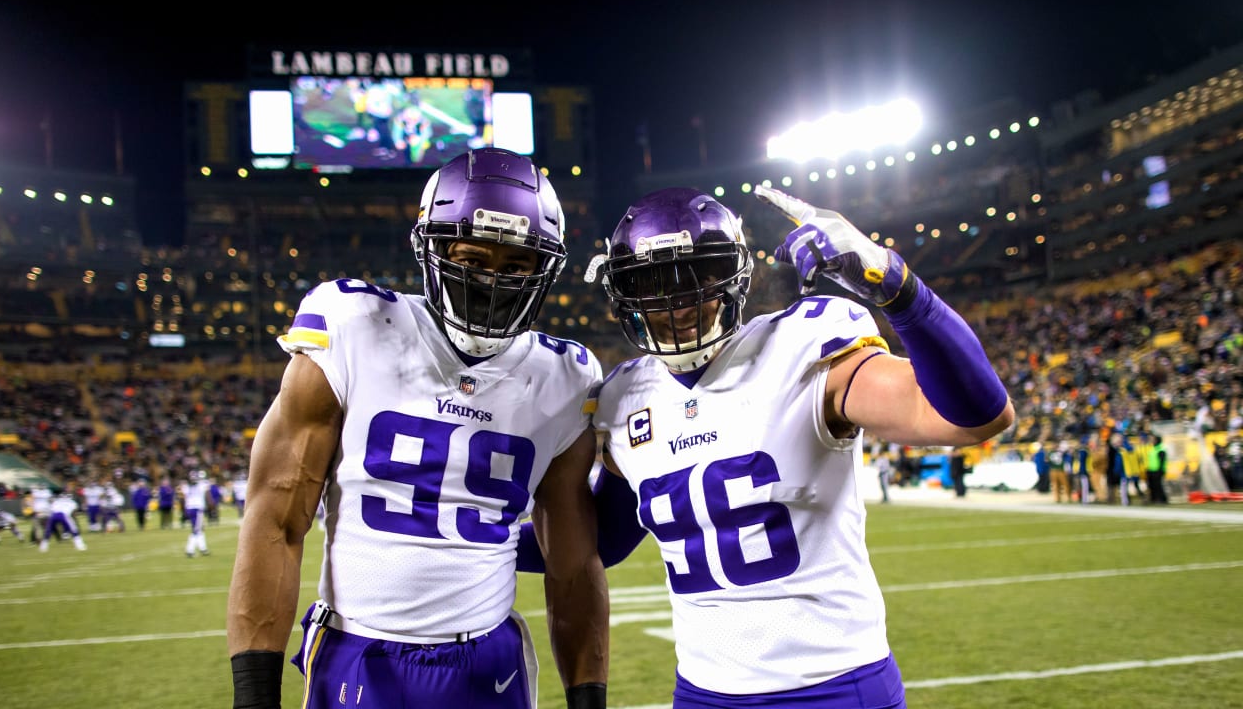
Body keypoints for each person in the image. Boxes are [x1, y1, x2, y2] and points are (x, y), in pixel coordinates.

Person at [586, 186, 1014, 708]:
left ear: (734, 277)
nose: (678, 302)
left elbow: (974, 418)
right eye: (653, 283)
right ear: (623, 294)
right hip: (702, 693)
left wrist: (898, 287)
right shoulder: (624, 397)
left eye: (699, 275)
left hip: (832, 688)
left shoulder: (802, 346)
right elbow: (600, 541)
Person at [226, 148, 610, 709]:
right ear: (431, 251)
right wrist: (254, 696)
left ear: (543, 270)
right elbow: (276, 520)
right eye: (472, 258)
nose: (491, 283)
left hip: (487, 660)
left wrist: (588, 699)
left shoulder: (564, 377)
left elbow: (572, 567)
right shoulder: (354, 326)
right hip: (360, 651)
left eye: (514, 266)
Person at [182, 470, 211, 557]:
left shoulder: (186, 486)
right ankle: (189, 550)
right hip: (197, 509)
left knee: (199, 529)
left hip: (190, 509)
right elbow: (207, 494)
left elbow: (183, 498)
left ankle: (203, 548)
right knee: (196, 530)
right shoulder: (202, 485)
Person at [1146, 434, 1169, 504]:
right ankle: (1154, 499)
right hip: (1151, 470)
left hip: (1157, 470)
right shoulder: (1153, 448)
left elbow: (1162, 461)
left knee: (1158, 486)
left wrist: (1161, 470)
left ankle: (1162, 499)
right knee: (1152, 486)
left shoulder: (1160, 449)